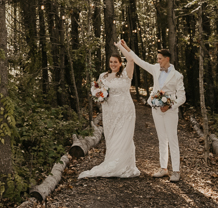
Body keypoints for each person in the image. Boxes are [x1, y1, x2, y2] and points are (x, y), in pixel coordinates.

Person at [117, 40, 186, 183]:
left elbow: (182, 97)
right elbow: (139, 61)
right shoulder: (155, 68)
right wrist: (126, 47)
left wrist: (170, 106)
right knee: (162, 139)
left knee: (172, 139)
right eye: (157, 59)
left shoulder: (177, 76)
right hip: (156, 109)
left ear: (167, 59)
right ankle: (163, 168)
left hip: (170, 111)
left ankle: (176, 171)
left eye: (160, 59)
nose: (158, 61)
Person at [78, 51, 140, 179]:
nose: (113, 64)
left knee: (123, 137)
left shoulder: (125, 74)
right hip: (109, 112)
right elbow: (95, 88)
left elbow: (131, 60)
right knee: (112, 136)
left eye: (115, 62)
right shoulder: (103, 76)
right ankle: (112, 161)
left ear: (120, 63)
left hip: (125, 111)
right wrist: (98, 94)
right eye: (111, 62)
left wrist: (122, 47)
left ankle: (124, 166)